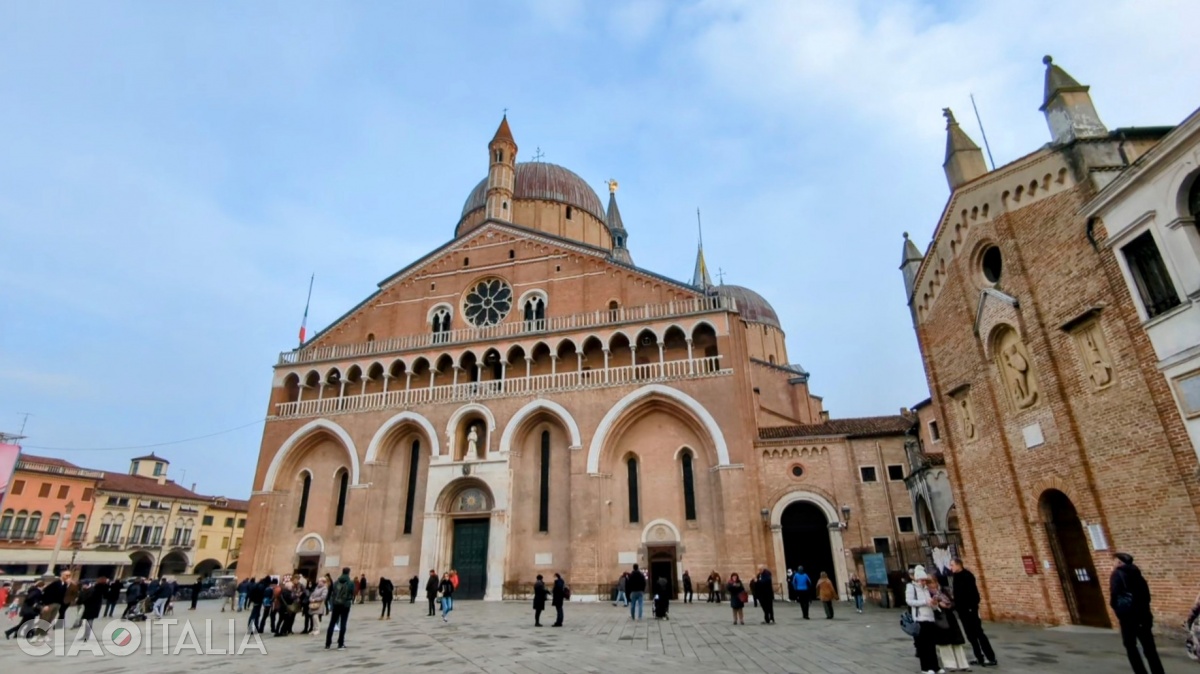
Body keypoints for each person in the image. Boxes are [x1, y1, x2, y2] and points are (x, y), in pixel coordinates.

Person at [1110, 553, 1164, 674]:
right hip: (1144, 616)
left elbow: (1114, 595)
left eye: (1114, 561)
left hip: (1128, 617)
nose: (1113, 564)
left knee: (1130, 646)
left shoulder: (1117, 574)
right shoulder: (1138, 574)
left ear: (1119, 562)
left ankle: (1140, 671)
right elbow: (1147, 596)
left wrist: (1118, 610)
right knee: (1149, 648)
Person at [949, 558, 995, 667]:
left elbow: (973, 594)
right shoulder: (956, 577)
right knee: (970, 635)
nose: (951, 567)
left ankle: (991, 657)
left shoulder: (967, 576)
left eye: (952, 565)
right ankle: (979, 657)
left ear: (959, 565)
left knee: (979, 633)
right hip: (962, 611)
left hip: (970, 610)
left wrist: (971, 607)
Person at [927, 574, 970, 670]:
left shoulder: (943, 590)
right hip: (939, 619)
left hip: (950, 618)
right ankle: (950, 665)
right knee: (945, 643)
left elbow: (952, 601)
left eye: (933, 582)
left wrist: (949, 605)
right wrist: (938, 604)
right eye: (929, 583)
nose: (932, 585)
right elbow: (929, 607)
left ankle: (963, 664)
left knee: (956, 642)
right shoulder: (927, 593)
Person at [907, 565, 941, 674]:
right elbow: (910, 601)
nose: (923, 582)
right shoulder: (911, 587)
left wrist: (934, 604)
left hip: (930, 618)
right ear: (917, 579)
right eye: (921, 580)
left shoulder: (926, 588)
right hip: (920, 618)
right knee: (924, 645)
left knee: (932, 644)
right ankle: (925, 668)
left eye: (925, 580)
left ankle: (935, 666)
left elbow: (932, 605)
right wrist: (925, 602)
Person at [326, 567, 355, 650]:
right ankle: (340, 643)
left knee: (332, 623)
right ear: (348, 572)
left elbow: (333, 593)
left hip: (336, 604)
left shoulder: (335, 582)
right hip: (345, 605)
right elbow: (353, 593)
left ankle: (327, 644)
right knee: (343, 623)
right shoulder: (350, 583)